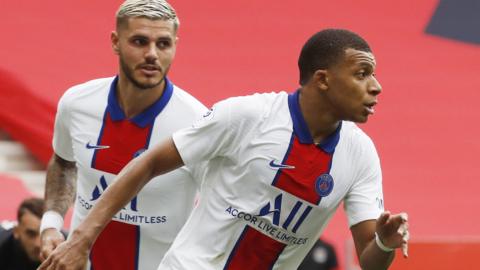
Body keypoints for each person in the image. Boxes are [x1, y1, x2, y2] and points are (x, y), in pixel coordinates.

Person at [40, 29, 410, 270]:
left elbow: (369, 261)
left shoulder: (361, 154)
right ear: (323, 80)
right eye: (362, 74)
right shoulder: (246, 116)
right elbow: (148, 163)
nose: (376, 87)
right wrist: (83, 237)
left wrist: (383, 241)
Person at [39, 0, 206, 269]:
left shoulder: (198, 122)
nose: (152, 54)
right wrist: (51, 225)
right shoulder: (77, 102)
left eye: (163, 44)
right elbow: (63, 162)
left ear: (175, 45)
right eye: (140, 41)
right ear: (115, 42)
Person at [0, 197, 44, 270]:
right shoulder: (2, 247)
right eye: (31, 234)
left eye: (44, 235)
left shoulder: (64, 248)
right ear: (16, 231)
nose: (38, 244)